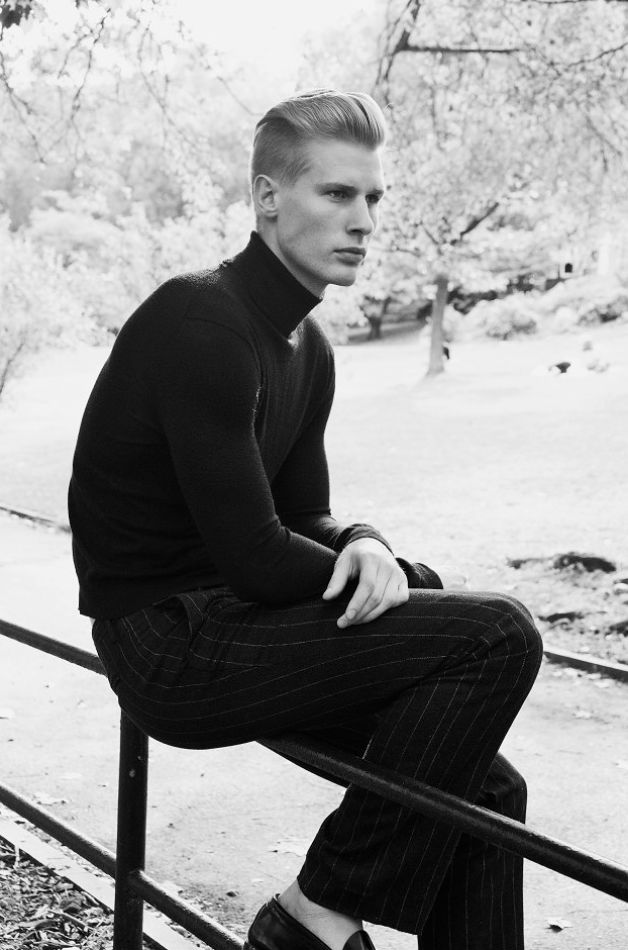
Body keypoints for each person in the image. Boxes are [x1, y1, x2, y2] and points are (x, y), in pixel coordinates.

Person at [68, 89, 543, 950]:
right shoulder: (200, 322)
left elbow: (305, 514)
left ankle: (320, 911)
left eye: (373, 197)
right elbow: (255, 555)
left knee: (486, 797)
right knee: (497, 633)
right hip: (170, 644)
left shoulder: (307, 347)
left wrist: (366, 544)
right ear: (268, 197)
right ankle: (315, 909)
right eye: (337, 193)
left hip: (240, 626)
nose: (364, 220)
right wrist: (384, 578)